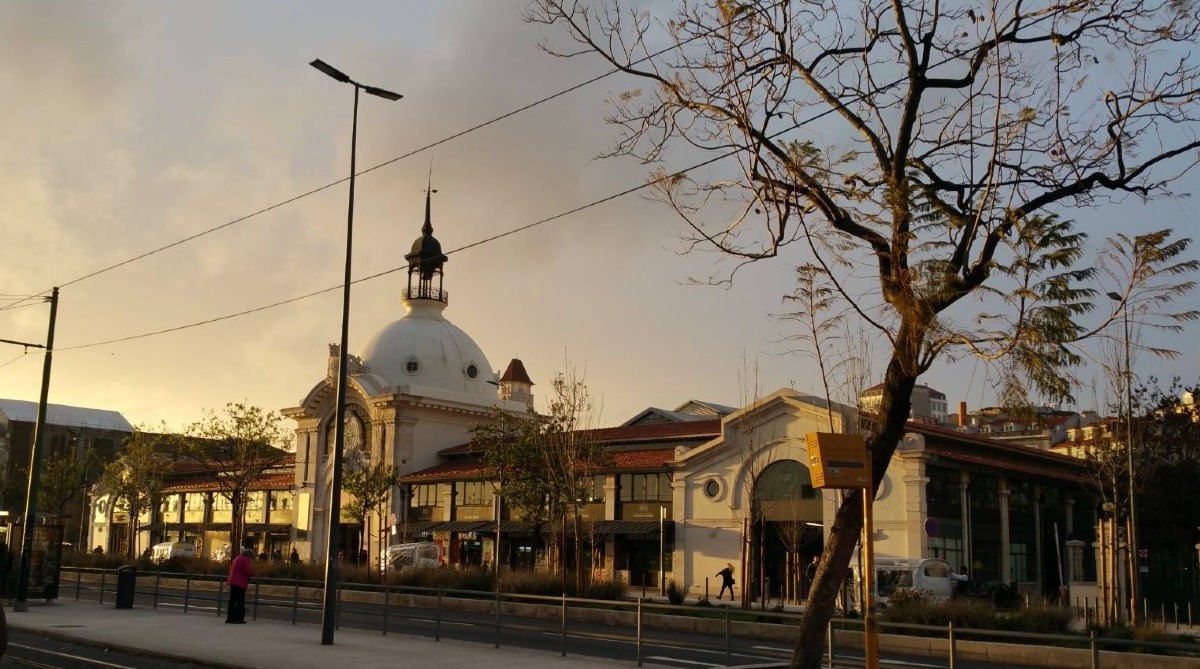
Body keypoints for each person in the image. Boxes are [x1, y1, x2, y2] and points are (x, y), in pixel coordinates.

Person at [226, 548, 253, 624]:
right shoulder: (245, 560)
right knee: (240, 601)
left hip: (232, 581)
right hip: (240, 582)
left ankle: (230, 618)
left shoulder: (237, 558)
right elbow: (248, 571)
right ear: (249, 555)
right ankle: (239, 619)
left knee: (232, 600)